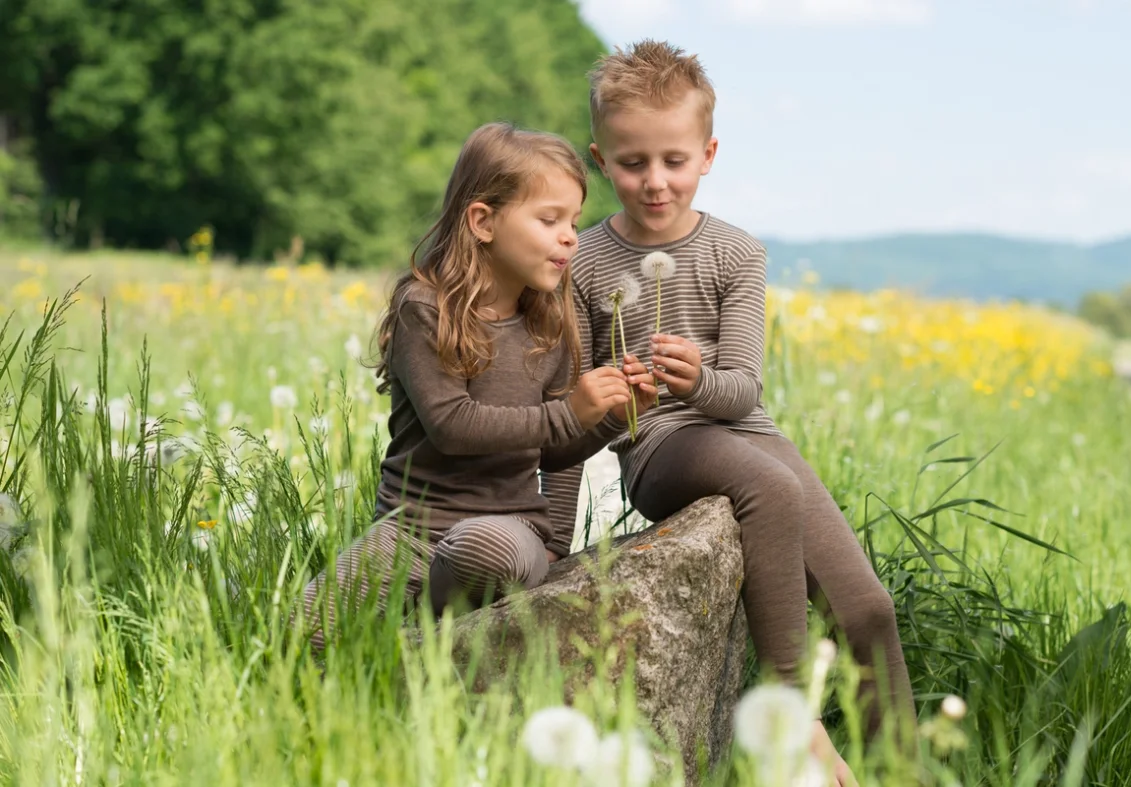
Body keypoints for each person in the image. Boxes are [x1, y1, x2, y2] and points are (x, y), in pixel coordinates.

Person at [538, 41, 917, 782]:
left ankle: (908, 771)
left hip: (748, 431)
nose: (654, 181)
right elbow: (574, 415)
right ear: (600, 160)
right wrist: (551, 543)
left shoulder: (737, 252)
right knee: (767, 487)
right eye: (632, 162)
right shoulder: (580, 264)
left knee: (868, 609)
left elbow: (743, 390)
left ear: (708, 155)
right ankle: (791, 722)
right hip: (661, 448)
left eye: (674, 160)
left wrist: (699, 381)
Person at [299, 121, 657, 650]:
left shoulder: (549, 324)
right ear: (483, 221)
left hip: (509, 530)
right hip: (407, 530)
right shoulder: (424, 309)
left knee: (483, 549)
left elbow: (554, 453)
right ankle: (411, 627)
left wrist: (605, 419)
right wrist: (569, 412)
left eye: (574, 222)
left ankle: (415, 627)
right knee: (302, 631)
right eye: (549, 219)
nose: (569, 236)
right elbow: (453, 426)